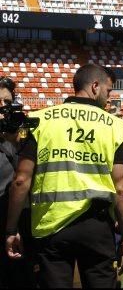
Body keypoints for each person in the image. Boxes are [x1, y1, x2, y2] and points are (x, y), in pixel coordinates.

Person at [5, 64, 123, 288]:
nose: (108, 97)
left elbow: (21, 180)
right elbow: (121, 186)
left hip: (50, 227)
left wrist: (11, 229)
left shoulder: (40, 120)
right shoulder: (115, 125)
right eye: (108, 91)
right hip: (97, 226)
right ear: (95, 86)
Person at [0, 77, 35, 288]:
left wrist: (14, 141)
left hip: (18, 221)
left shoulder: (17, 138)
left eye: (7, 102)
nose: (3, 108)